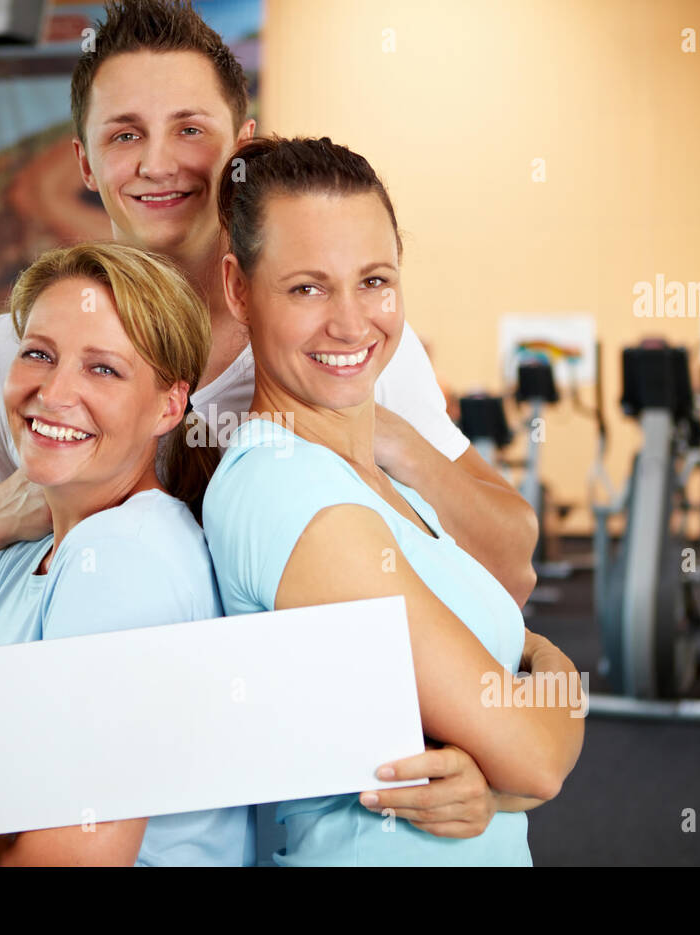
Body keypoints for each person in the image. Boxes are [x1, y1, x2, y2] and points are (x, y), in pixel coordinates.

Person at [0, 0, 533, 841]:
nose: (159, 163)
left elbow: (503, 571)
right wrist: (8, 511)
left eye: (190, 129)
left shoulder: (337, 344)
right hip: (119, 810)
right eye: (124, 134)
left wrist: (377, 434)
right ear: (81, 158)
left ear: (242, 145)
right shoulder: (22, 359)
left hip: (322, 804)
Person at [204, 136, 586, 866]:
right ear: (238, 289)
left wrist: (500, 784)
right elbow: (537, 761)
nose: (351, 323)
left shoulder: (387, 483)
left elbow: (516, 769)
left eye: (374, 280)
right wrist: (552, 669)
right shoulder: (287, 491)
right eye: (307, 288)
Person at [0, 242, 252, 865]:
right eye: (38, 354)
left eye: (103, 369)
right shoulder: (19, 561)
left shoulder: (126, 563)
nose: (54, 391)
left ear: (169, 406)